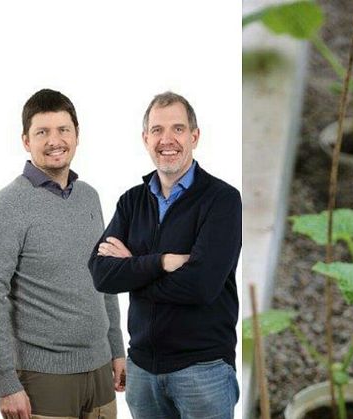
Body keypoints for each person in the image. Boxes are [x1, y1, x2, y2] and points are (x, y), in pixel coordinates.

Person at [89, 91, 242, 418]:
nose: (167, 139)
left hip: (203, 371)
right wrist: (161, 262)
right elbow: (100, 273)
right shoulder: (132, 202)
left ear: (195, 136)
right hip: (142, 371)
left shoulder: (221, 200)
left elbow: (201, 287)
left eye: (178, 128)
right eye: (157, 130)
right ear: (145, 139)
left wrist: (132, 269)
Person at [0, 89, 125, 419]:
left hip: (100, 369)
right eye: (42, 132)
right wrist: (6, 382)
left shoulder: (90, 197)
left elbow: (106, 277)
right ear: (26, 141)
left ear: (77, 135)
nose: (54, 140)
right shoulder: (9, 204)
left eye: (63, 130)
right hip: (43, 378)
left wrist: (117, 348)